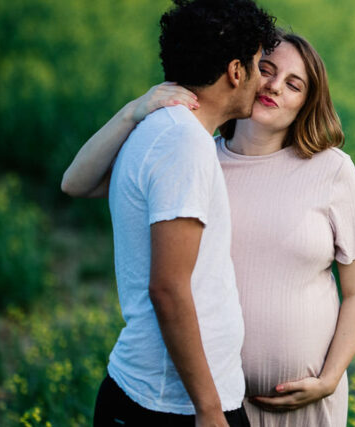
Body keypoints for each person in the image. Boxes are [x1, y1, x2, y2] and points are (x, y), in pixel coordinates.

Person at [62, 29, 355, 426]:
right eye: (267, 69)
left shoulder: (332, 171)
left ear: (305, 104)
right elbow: (78, 182)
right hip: (214, 401)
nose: (275, 87)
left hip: (305, 405)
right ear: (240, 73)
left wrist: (329, 379)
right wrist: (133, 110)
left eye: (294, 85)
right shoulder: (193, 158)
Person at [66, 0, 280, 426]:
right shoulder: (184, 145)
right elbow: (168, 287)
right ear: (236, 71)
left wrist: (133, 110)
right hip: (172, 405)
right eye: (259, 66)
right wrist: (209, 409)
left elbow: (75, 182)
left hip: (157, 393)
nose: (262, 81)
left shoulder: (161, 129)